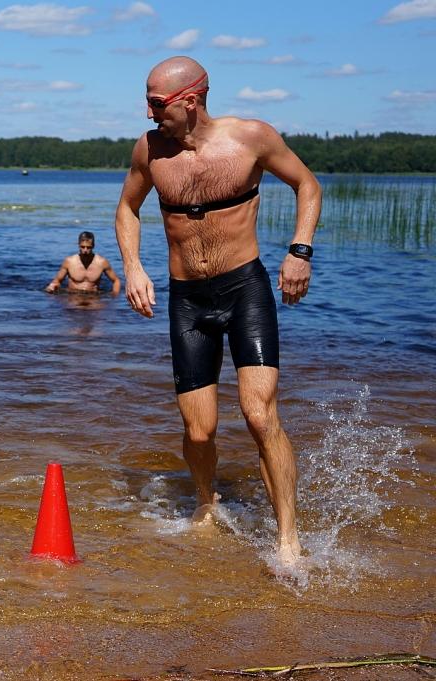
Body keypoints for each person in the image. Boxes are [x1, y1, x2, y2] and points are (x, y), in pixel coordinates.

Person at [114, 56, 321, 567]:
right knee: (199, 429)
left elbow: (308, 186)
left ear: (191, 99)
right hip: (188, 300)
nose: (148, 112)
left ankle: (287, 537)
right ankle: (208, 505)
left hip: (244, 289)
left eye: (157, 103)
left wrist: (299, 251)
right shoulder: (149, 150)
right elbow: (127, 209)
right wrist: (134, 267)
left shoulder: (251, 137)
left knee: (258, 413)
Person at [45, 231, 121, 295]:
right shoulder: (69, 262)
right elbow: (57, 280)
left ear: (93, 246)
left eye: (88, 247)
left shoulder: (102, 262)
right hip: (73, 296)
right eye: (82, 247)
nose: (85, 250)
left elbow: (116, 281)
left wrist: (114, 295)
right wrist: (52, 287)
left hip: (93, 297)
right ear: (78, 245)